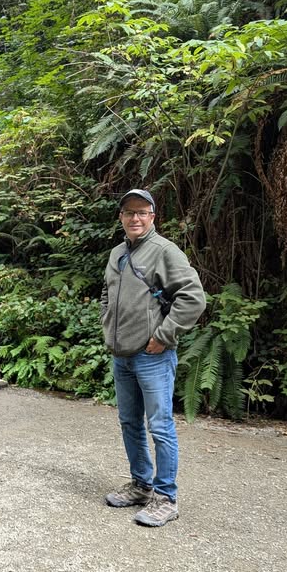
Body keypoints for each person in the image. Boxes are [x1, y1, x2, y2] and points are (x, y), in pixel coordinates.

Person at [99, 189, 206, 527]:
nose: (135, 218)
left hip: (153, 356)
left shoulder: (164, 251)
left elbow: (193, 298)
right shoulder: (117, 253)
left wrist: (163, 336)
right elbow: (106, 293)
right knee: (130, 423)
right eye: (129, 212)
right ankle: (141, 485)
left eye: (142, 212)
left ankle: (166, 498)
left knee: (159, 426)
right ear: (121, 217)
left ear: (152, 217)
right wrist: (106, 324)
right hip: (122, 355)